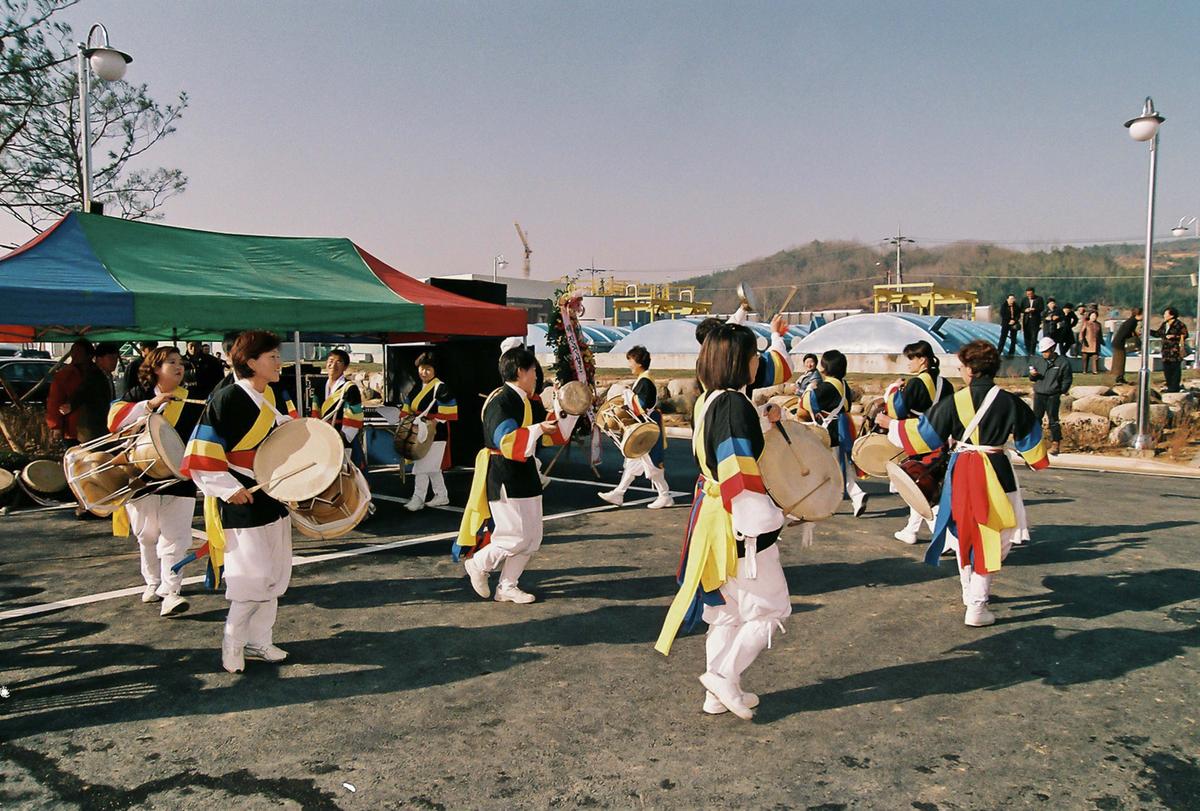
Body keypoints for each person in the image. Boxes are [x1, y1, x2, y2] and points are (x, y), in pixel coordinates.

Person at [654, 322, 789, 720]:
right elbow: (737, 472)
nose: (757, 363)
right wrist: (772, 518)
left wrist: (762, 419)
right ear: (739, 361)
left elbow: (726, 448)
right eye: (753, 357)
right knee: (770, 610)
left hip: (714, 518)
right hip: (739, 522)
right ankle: (724, 678)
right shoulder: (733, 406)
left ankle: (716, 694)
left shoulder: (710, 399)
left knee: (726, 613)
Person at [876, 340, 1048, 627]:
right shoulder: (1010, 401)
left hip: (961, 473)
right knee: (994, 535)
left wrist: (891, 425)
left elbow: (923, 436)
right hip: (998, 472)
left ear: (969, 369)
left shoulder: (955, 401)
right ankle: (977, 603)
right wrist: (1036, 459)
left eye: (961, 366)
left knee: (964, 533)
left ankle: (971, 594)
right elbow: (1032, 445)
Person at [182, 331, 298, 673]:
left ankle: (260, 640)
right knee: (252, 577)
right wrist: (227, 487)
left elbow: (290, 436)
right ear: (250, 362)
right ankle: (232, 643)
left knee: (273, 574)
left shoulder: (272, 394)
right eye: (271, 357)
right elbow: (201, 452)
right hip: (241, 500)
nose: (278, 362)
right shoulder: (227, 397)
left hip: (272, 495)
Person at [454, 347, 578, 604]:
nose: (536, 376)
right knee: (514, 536)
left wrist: (569, 409)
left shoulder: (525, 400)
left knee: (531, 537)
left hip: (524, 472)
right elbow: (506, 440)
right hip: (504, 473)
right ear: (521, 371)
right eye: (533, 371)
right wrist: (537, 429)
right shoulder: (501, 400)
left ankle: (507, 587)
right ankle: (478, 564)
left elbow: (552, 433)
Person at [109, 346, 205, 617]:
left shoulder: (191, 400)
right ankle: (152, 581)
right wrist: (150, 405)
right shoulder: (137, 396)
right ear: (155, 368)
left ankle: (171, 591)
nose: (179, 367)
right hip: (142, 478)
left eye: (181, 362)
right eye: (171, 362)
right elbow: (114, 423)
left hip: (179, 478)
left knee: (176, 538)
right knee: (147, 535)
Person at [887, 340, 952, 544]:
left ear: (922, 360)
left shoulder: (915, 383)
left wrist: (893, 389)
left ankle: (945, 539)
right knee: (922, 484)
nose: (909, 363)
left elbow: (897, 410)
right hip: (941, 438)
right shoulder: (946, 384)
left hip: (920, 438)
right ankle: (911, 530)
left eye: (911, 358)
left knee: (922, 486)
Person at [598, 345, 673, 509]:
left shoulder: (645, 381)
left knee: (652, 463)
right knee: (634, 462)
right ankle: (619, 493)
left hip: (647, 425)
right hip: (644, 424)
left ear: (638, 363)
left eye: (630, 361)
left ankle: (664, 495)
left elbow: (641, 405)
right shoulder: (644, 379)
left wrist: (628, 395)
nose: (629, 365)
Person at [802, 349, 868, 517]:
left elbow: (808, 403)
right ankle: (857, 495)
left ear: (826, 368)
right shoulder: (843, 384)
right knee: (840, 465)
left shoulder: (827, 386)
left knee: (831, 468)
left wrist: (809, 389)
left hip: (831, 430)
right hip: (843, 427)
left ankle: (831, 501)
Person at [401, 352, 457, 511]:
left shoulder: (441, 387)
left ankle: (418, 498)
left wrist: (430, 423)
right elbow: (407, 407)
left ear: (434, 370)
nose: (424, 372)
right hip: (418, 431)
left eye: (428, 369)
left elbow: (448, 412)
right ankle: (441, 495)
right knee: (432, 467)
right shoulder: (416, 388)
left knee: (422, 466)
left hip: (435, 432)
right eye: (421, 368)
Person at [311, 349, 365, 468]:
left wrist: (342, 438)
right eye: (331, 361)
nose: (333, 365)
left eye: (339, 362)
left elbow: (354, 417)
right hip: (324, 437)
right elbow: (315, 412)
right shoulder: (319, 387)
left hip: (342, 436)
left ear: (345, 367)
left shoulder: (350, 388)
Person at [45, 339, 94, 446]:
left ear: (89, 355)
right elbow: (55, 401)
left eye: (79, 352)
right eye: (74, 352)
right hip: (72, 429)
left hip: (93, 427)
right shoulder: (65, 375)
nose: (75, 355)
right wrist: (56, 426)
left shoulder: (96, 374)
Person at [1029, 336, 1072, 456]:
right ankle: (1033, 444)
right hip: (1039, 394)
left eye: (1046, 351)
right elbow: (1032, 378)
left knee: (1053, 420)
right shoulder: (1039, 362)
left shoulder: (1062, 363)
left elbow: (1067, 379)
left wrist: (1060, 390)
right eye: (1043, 352)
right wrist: (1033, 375)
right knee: (1036, 419)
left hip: (1053, 395)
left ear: (1053, 349)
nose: (1044, 354)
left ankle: (1055, 443)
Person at [75, 342, 121, 442]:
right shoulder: (93, 376)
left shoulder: (108, 376)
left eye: (116, 359)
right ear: (99, 359)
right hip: (92, 429)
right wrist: (70, 404)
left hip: (104, 427)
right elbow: (81, 392)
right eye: (111, 358)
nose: (114, 362)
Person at [1151, 307, 1189, 394]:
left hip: (1175, 351)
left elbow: (1185, 335)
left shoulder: (1179, 324)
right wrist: (1147, 331)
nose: (1164, 315)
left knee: (1175, 370)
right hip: (1166, 351)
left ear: (1171, 315)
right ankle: (1169, 386)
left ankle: (1174, 388)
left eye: (1166, 314)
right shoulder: (1165, 324)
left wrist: (1174, 336)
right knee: (1167, 370)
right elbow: (1158, 333)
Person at [1109, 308, 1142, 385]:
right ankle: (1119, 378)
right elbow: (1126, 333)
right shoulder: (1132, 322)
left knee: (1120, 360)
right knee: (1120, 360)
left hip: (1118, 342)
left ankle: (1120, 377)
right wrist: (1133, 335)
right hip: (1119, 343)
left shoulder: (1132, 321)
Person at [1021, 287, 1044, 357]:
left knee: (1034, 337)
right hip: (1026, 321)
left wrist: (1034, 309)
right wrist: (1025, 310)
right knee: (1026, 337)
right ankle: (1028, 351)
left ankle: (1032, 352)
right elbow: (1021, 309)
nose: (1029, 295)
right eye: (1028, 294)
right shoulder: (1024, 300)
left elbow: (1041, 308)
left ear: (1033, 293)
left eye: (1030, 294)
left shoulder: (1039, 299)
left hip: (1035, 320)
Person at [997, 294, 1021, 358]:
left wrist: (1014, 320)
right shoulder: (1004, 306)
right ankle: (999, 351)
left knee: (1013, 339)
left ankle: (1011, 352)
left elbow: (1018, 315)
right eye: (1010, 299)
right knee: (1003, 337)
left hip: (1014, 323)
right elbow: (1002, 314)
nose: (1012, 300)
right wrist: (1009, 320)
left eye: (1013, 299)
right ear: (1007, 299)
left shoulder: (1016, 306)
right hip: (1006, 323)